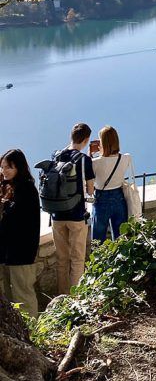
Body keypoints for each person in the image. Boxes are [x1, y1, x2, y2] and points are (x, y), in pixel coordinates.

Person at [51, 122, 95, 295]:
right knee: (77, 259)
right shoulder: (85, 160)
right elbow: (90, 189)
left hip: (56, 215)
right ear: (86, 140)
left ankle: (62, 297)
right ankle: (75, 298)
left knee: (62, 259)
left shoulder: (56, 155)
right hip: (76, 215)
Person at [0, 149, 40, 317]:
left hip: (21, 253)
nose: (4, 171)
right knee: (9, 298)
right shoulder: (9, 188)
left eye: (9, 167)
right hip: (7, 252)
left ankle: (32, 334)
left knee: (23, 296)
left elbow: (17, 220)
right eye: (2, 167)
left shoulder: (27, 189)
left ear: (19, 167)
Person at [91, 125, 132, 243]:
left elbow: (89, 178)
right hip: (119, 197)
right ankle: (122, 261)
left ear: (102, 142)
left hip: (101, 199)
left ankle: (100, 261)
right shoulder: (126, 158)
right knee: (121, 239)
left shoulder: (95, 162)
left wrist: (92, 154)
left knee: (98, 241)